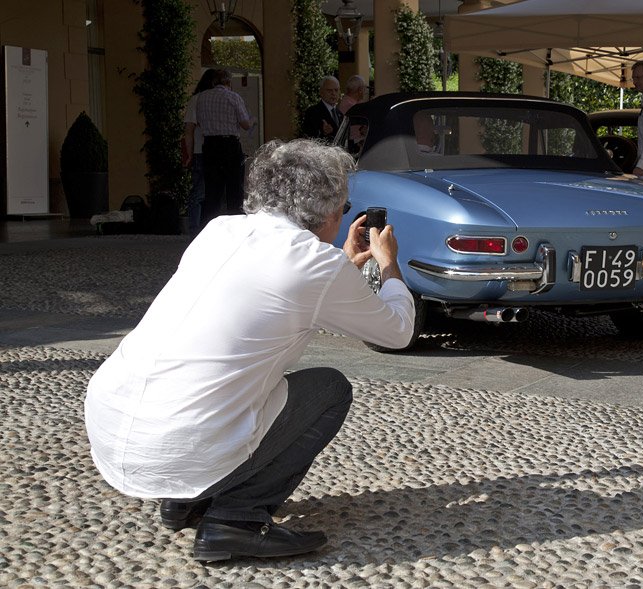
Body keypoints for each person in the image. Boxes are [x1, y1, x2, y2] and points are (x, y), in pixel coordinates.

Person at [83, 139, 416, 562]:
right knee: (329, 389)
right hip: (182, 444)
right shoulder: (316, 265)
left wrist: (342, 262)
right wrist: (388, 264)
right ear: (329, 209)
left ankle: (187, 500)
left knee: (226, 381)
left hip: (114, 425)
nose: (344, 216)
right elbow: (398, 332)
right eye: (345, 208)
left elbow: (279, 290)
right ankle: (235, 520)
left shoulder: (220, 230)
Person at [196, 69, 255, 228]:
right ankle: (235, 228)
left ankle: (207, 228)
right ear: (229, 82)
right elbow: (245, 124)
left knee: (212, 192)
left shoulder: (202, 98)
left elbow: (200, 122)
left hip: (209, 145)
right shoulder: (233, 97)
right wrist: (252, 121)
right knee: (234, 190)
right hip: (230, 145)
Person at [182, 69, 217, 238]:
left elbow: (188, 130)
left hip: (199, 151)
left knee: (198, 191)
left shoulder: (196, 100)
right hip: (212, 150)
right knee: (210, 191)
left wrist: (189, 154)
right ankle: (201, 227)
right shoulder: (220, 100)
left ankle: (195, 228)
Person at [301, 76, 341, 142]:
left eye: (336, 90)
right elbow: (309, 137)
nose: (333, 93)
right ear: (321, 92)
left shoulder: (340, 114)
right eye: (329, 90)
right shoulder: (312, 112)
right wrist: (323, 132)